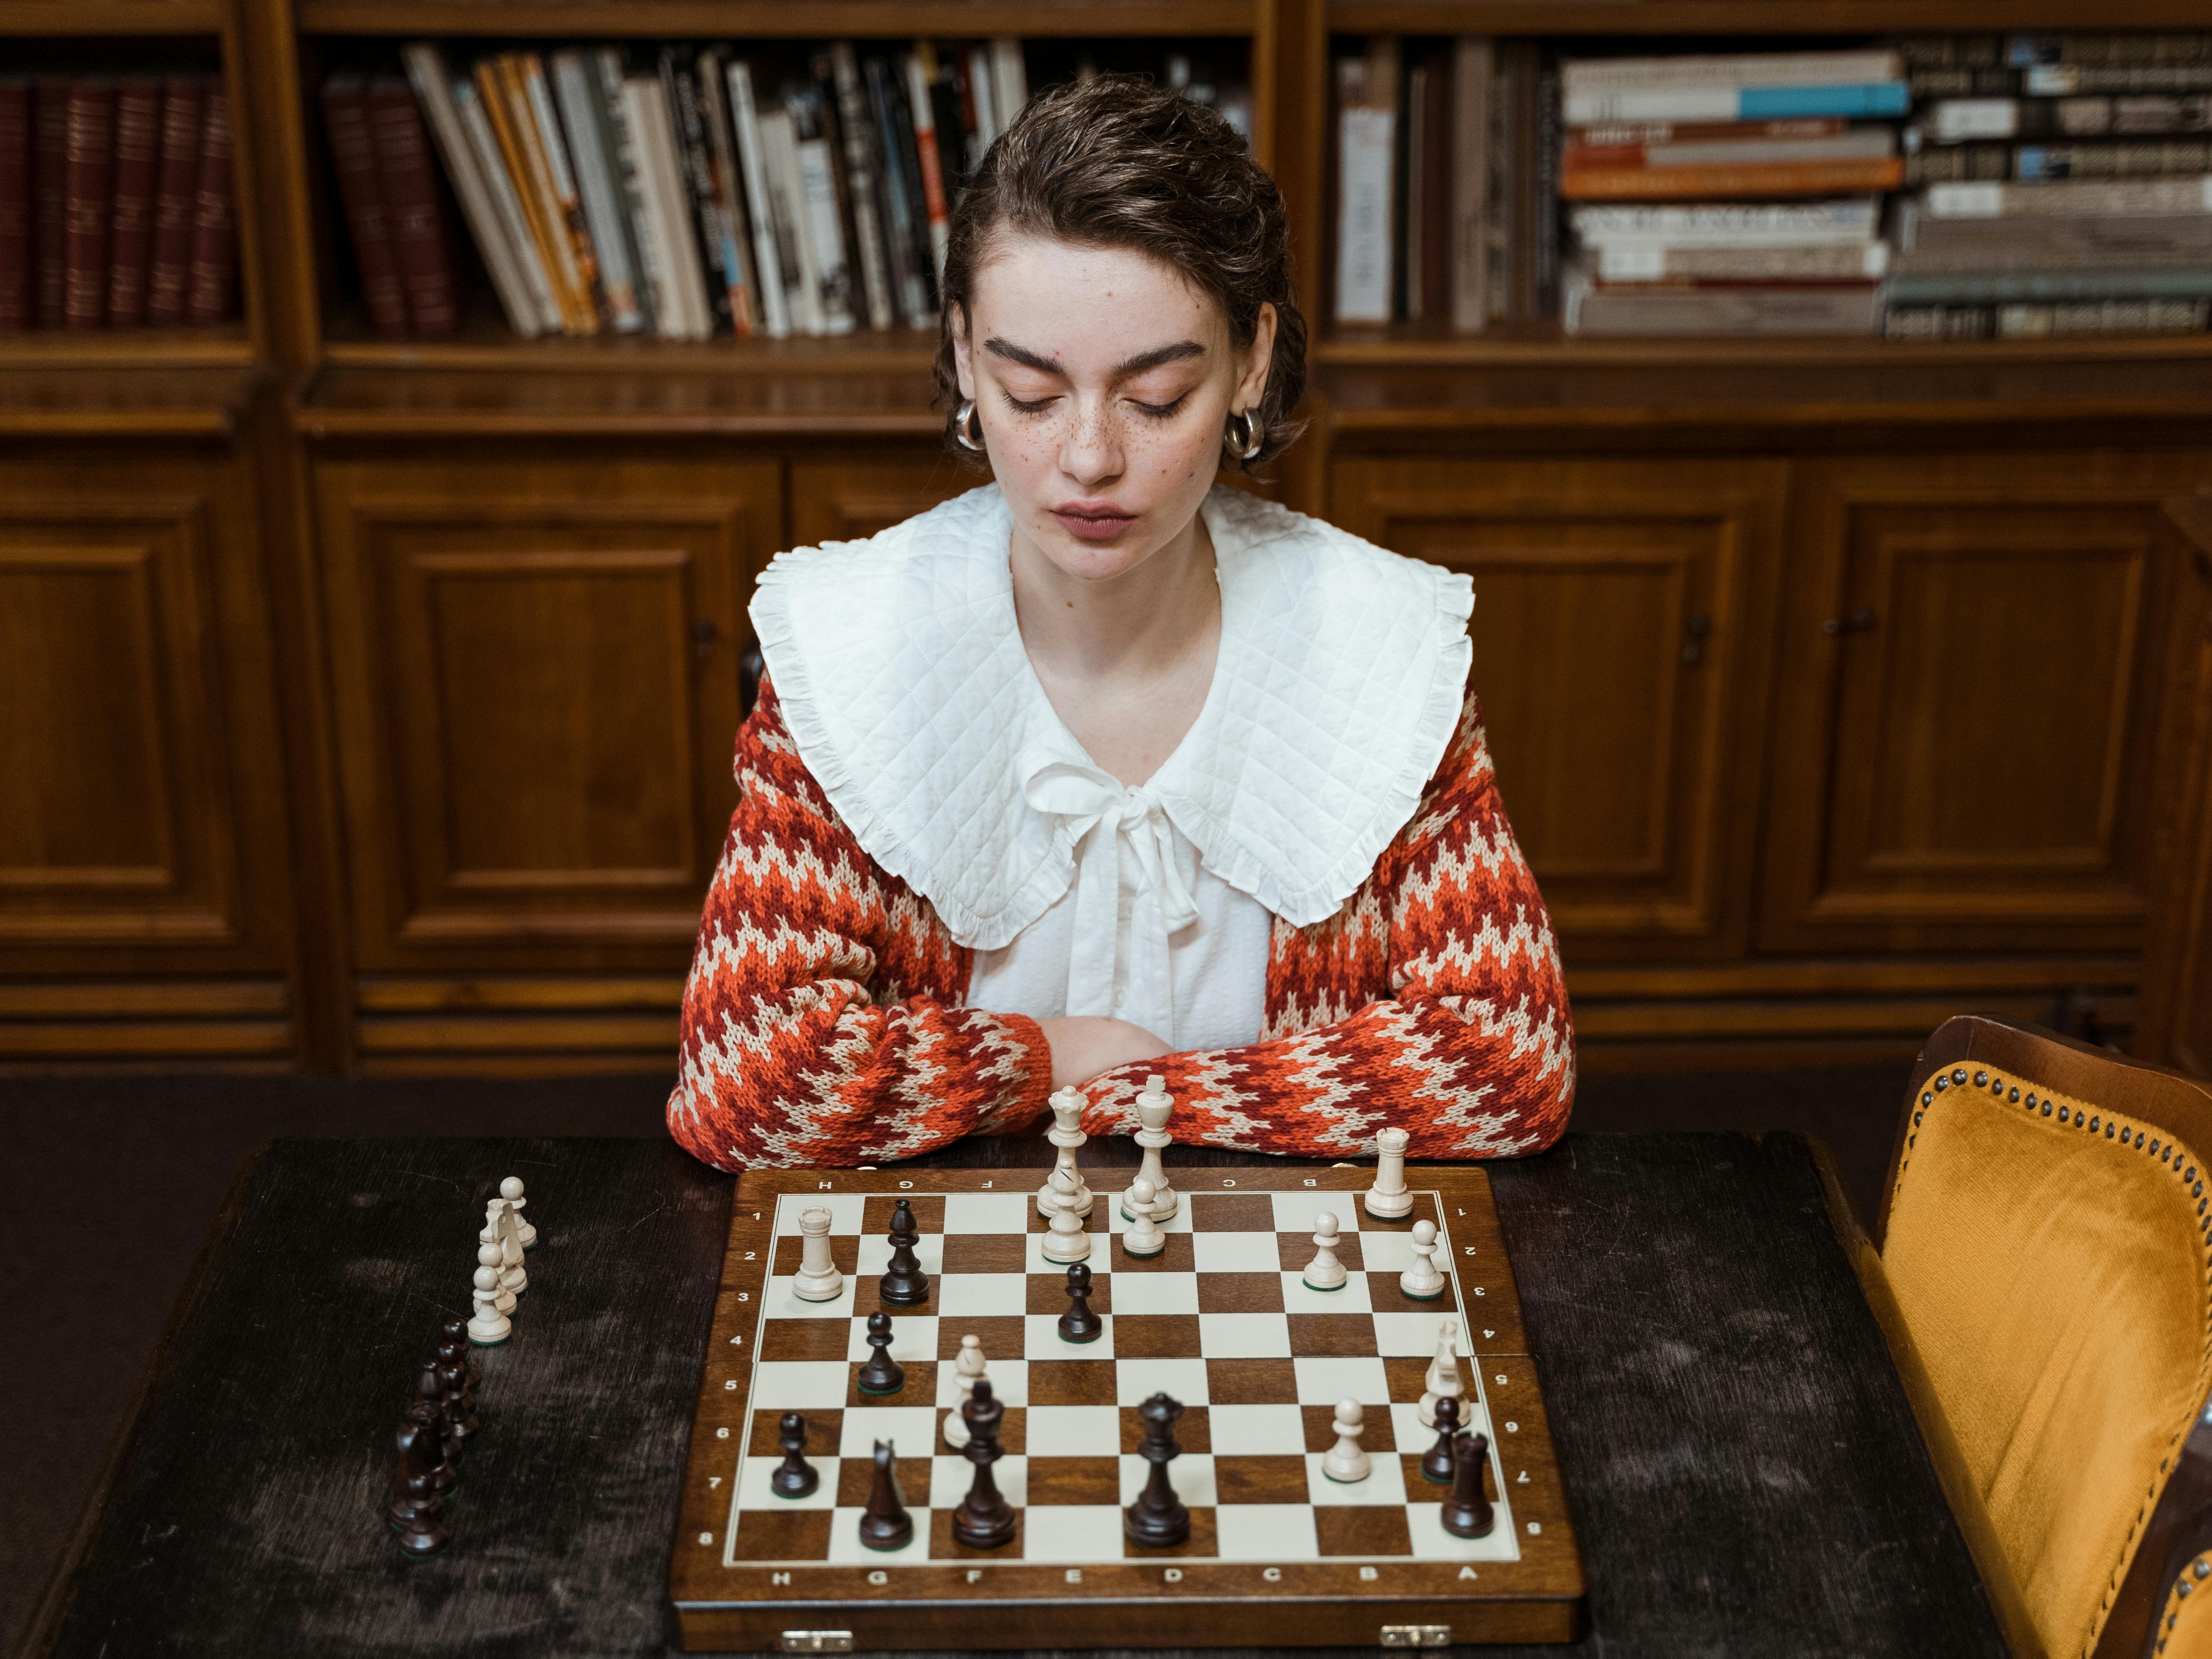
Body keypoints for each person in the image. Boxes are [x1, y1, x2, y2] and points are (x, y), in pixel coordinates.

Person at [666, 75, 1572, 1171]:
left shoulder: (1376, 644)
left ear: (1248, 362)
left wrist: (1138, 1089)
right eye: (1032, 395)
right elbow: (747, 1085)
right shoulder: (856, 647)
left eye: (1154, 399)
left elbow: (1507, 1061)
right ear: (963, 356)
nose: (1089, 459)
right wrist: (1043, 1055)